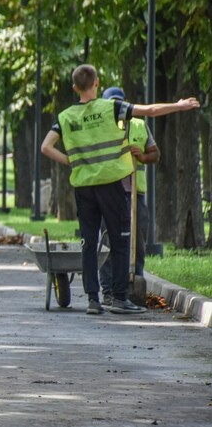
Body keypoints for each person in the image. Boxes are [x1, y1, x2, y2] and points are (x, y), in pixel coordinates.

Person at [41, 64, 198, 315]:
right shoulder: (110, 108)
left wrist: (70, 160)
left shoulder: (65, 116)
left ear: (74, 88)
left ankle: (93, 299)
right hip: (111, 185)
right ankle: (120, 298)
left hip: (84, 188)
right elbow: (149, 110)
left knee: (89, 243)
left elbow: (46, 147)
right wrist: (179, 105)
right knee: (120, 239)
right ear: (96, 83)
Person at [97, 87, 159, 307]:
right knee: (107, 242)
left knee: (137, 242)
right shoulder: (100, 129)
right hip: (109, 194)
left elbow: (155, 153)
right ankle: (108, 291)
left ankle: (134, 284)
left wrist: (141, 155)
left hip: (134, 194)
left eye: (120, 104)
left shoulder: (140, 125)